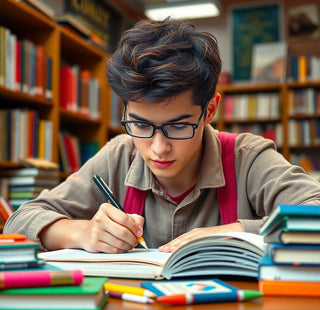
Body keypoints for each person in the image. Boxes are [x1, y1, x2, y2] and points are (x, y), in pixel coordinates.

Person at [4, 19, 320, 254]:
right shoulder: (120, 155)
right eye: (140, 125)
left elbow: (315, 211)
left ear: (209, 111)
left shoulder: (248, 159)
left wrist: (236, 231)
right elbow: (20, 220)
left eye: (178, 126)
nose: (158, 148)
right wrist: (81, 232)